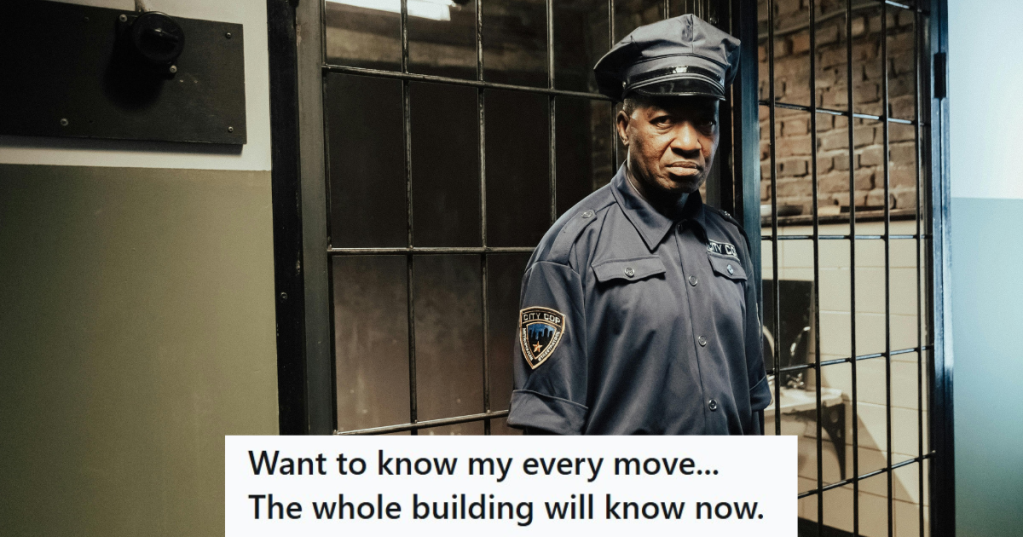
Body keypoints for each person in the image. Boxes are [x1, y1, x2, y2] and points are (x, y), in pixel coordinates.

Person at [506, 14, 771, 435]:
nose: (689, 143)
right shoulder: (571, 250)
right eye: (664, 120)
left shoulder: (731, 241)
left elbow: (753, 401)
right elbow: (548, 435)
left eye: (705, 121)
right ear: (624, 127)